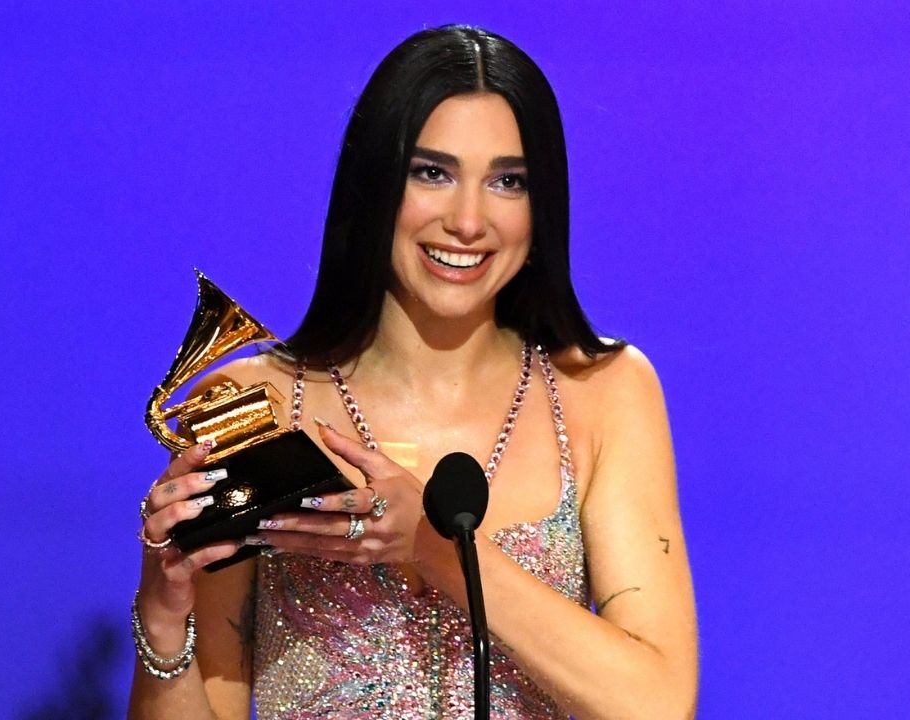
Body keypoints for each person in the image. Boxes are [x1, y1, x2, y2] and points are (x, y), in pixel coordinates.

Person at [129, 25, 697, 719]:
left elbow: (658, 702)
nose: (468, 219)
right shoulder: (259, 405)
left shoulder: (603, 391)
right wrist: (162, 615)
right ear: (374, 188)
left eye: (508, 181)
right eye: (432, 172)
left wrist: (432, 550)